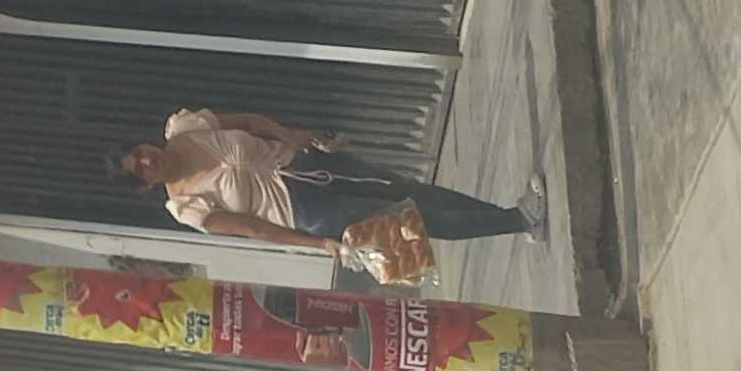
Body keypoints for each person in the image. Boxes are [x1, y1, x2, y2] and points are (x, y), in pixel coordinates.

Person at [108, 106, 541, 261]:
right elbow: (256, 230)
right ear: (145, 185)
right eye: (140, 169)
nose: (148, 159)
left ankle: (513, 215)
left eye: (140, 152)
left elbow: (250, 121)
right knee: (412, 222)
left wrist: (294, 135)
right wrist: (317, 244)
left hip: (307, 163)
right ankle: (518, 220)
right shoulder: (186, 207)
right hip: (308, 212)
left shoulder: (184, 128)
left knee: (409, 189)